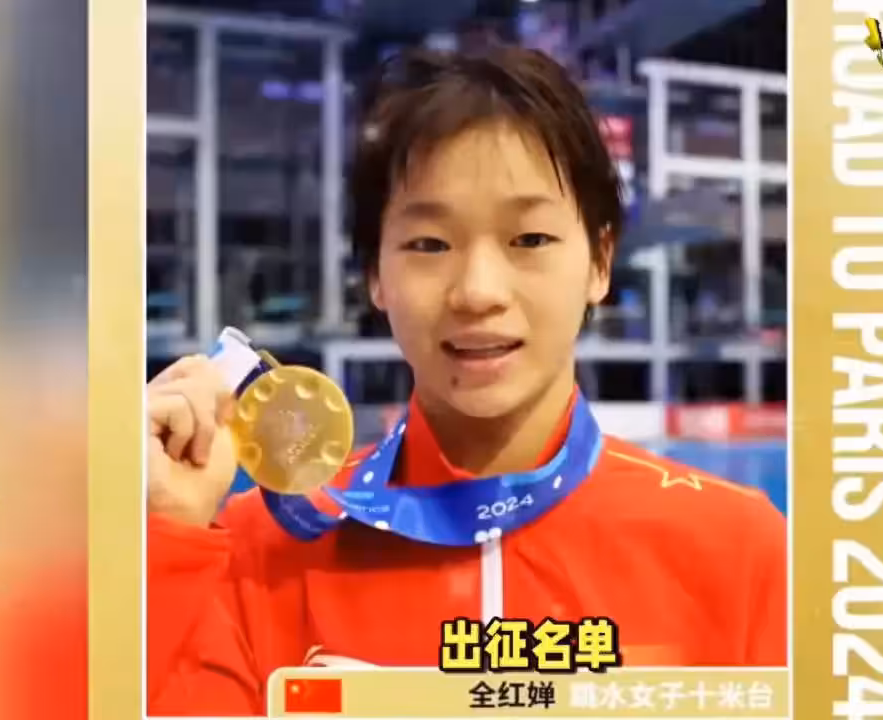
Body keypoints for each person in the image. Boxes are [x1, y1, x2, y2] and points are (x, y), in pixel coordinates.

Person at [146, 45, 787, 716]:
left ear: (600, 261)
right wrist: (167, 545)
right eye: (429, 244)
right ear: (375, 276)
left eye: (529, 240)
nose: (478, 291)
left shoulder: (738, 551)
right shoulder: (254, 553)